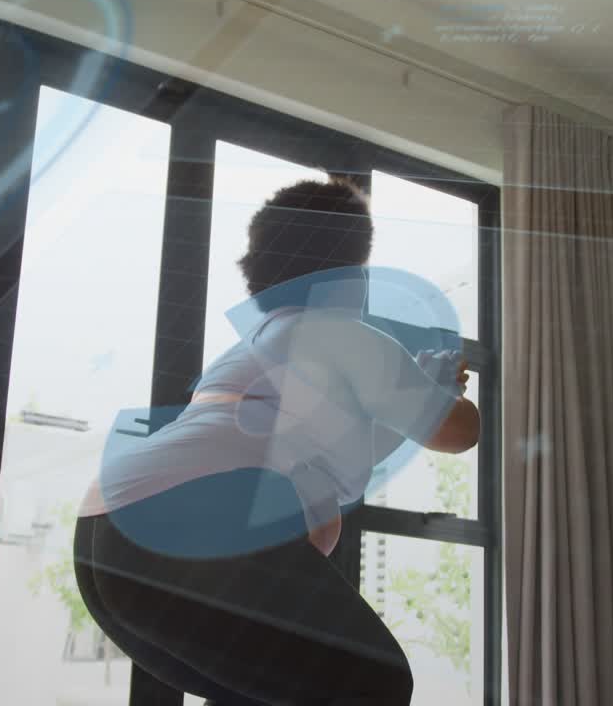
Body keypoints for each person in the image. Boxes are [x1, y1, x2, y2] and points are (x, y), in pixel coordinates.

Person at [73, 179, 480, 705]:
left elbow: (356, 445)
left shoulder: (260, 348)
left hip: (108, 543)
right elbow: (457, 431)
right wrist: (437, 390)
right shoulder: (336, 333)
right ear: (348, 273)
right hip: (180, 523)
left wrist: (419, 389)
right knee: (376, 683)